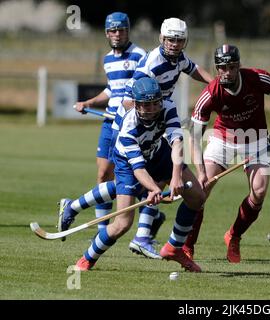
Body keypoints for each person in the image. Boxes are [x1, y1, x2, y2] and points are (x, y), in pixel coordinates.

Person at [58, 17, 213, 256]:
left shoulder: (176, 58)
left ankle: (139, 234)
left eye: (179, 40)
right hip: (131, 124)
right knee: (127, 180)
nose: (174, 44)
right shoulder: (150, 62)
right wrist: (140, 120)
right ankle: (121, 230)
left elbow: (194, 70)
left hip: (153, 120)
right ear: (162, 39)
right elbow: (130, 98)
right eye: (170, 40)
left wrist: (216, 86)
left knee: (141, 182)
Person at [74, 77, 206, 272]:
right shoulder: (128, 129)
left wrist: (176, 176)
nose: (152, 109)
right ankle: (86, 259)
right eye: (146, 105)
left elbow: (177, 142)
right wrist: (154, 189)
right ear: (136, 104)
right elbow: (139, 169)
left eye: (155, 103)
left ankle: (174, 247)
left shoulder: (168, 107)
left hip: (158, 152)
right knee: (122, 223)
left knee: (197, 197)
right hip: (127, 163)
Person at [188, 44, 270, 263]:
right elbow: (193, 137)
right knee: (200, 190)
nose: (227, 72)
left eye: (232, 67)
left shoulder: (257, 78)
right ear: (216, 68)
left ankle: (234, 235)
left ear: (238, 65)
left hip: (257, 140)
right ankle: (187, 247)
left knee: (259, 192)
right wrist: (200, 171)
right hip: (223, 139)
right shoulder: (210, 93)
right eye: (222, 67)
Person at [61, 12, 147, 234]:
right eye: (112, 30)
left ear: (128, 31)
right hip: (109, 123)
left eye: (121, 30)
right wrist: (89, 102)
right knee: (102, 174)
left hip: (129, 125)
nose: (117, 34)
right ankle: (102, 229)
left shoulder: (139, 55)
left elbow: (144, 87)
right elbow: (112, 89)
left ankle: (145, 221)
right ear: (107, 33)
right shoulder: (108, 59)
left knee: (124, 177)